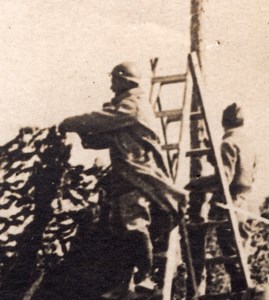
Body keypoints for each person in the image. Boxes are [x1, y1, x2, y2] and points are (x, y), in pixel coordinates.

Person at [59, 62, 184, 298]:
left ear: (125, 81)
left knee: (133, 226)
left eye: (114, 80)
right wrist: (82, 134)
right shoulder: (126, 107)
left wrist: (71, 122)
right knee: (119, 233)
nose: (111, 85)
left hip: (137, 178)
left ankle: (145, 278)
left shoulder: (132, 105)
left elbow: (100, 120)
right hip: (124, 178)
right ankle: (123, 285)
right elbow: (104, 137)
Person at [185, 103, 256, 295]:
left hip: (230, 205)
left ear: (223, 122)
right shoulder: (247, 143)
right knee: (241, 256)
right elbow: (243, 172)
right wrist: (212, 156)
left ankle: (241, 294)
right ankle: (243, 293)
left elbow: (223, 178)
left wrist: (194, 183)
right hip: (246, 204)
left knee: (233, 258)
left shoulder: (228, 143)